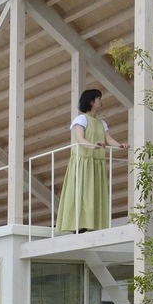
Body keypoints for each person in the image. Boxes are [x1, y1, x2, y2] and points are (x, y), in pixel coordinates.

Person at [56, 89, 126, 233]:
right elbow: (80, 139)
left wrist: (120, 145)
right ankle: (77, 224)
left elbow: (109, 139)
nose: (101, 101)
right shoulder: (81, 119)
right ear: (91, 102)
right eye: (98, 98)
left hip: (96, 161)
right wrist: (93, 146)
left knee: (95, 192)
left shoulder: (102, 123)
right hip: (83, 161)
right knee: (81, 191)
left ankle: (92, 224)